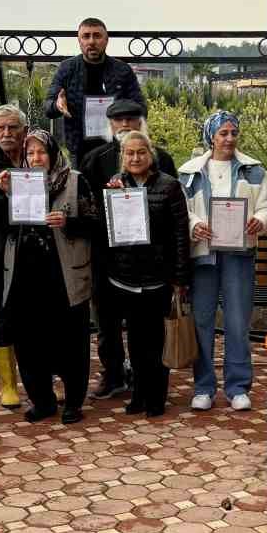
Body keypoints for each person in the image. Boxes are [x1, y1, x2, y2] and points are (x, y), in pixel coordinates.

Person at [0, 130, 97, 423]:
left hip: (64, 277)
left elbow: (96, 225)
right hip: (26, 276)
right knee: (29, 342)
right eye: (30, 153)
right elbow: (0, 224)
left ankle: (73, 402)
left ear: (52, 153)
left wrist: (69, 222)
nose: (36, 158)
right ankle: (42, 400)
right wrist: (5, 194)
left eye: (41, 152)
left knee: (70, 342)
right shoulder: (17, 182)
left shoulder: (75, 180)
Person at [179, 110, 267, 412]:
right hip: (203, 255)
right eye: (223, 133)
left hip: (239, 254)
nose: (229, 139)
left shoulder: (253, 170)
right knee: (202, 321)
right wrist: (194, 224)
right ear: (211, 136)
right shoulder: (191, 172)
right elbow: (181, 209)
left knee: (236, 321)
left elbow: (266, 208)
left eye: (233, 133)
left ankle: (237, 387)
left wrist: (260, 221)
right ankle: (204, 387)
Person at [80, 98, 175, 400]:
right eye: (117, 120)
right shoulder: (95, 159)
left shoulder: (162, 158)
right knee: (106, 320)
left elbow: (172, 206)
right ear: (109, 125)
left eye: (130, 119)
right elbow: (86, 206)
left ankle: (144, 376)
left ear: (141, 123)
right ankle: (112, 373)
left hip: (148, 261)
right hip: (107, 255)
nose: (124, 125)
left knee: (146, 327)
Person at [100, 131, 190, 417]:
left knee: (156, 342)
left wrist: (179, 277)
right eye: (130, 153)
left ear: (151, 155)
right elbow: (105, 233)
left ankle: (156, 398)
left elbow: (179, 235)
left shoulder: (170, 186)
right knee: (135, 343)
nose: (136, 158)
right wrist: (110, 200)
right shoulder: (116, 186)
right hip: (124, 278)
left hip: (158, 278)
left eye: (141, 152)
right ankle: (138, 395)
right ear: (122, 157)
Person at [44, 18, 145, 167]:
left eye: (97, 36)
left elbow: (141, 107)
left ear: (106, 40)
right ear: (79, 41)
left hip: (117, 148)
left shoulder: (122, 70)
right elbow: (48, 107)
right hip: (79, 151)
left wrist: (125, 116)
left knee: (116, 188)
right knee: (82, 189)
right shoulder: (67, 69)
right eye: (86, 36)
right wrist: (57, 105)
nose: (91, 41)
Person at [0, 105, 30, 408]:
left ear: (24, 130)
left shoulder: (36, 154)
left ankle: (43, 376)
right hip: (2, 249)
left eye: (12, 127)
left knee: (40, 315)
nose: (6, 133)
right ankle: (8, 384)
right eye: (1, 127)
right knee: (4, 315)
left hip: (37, 247)